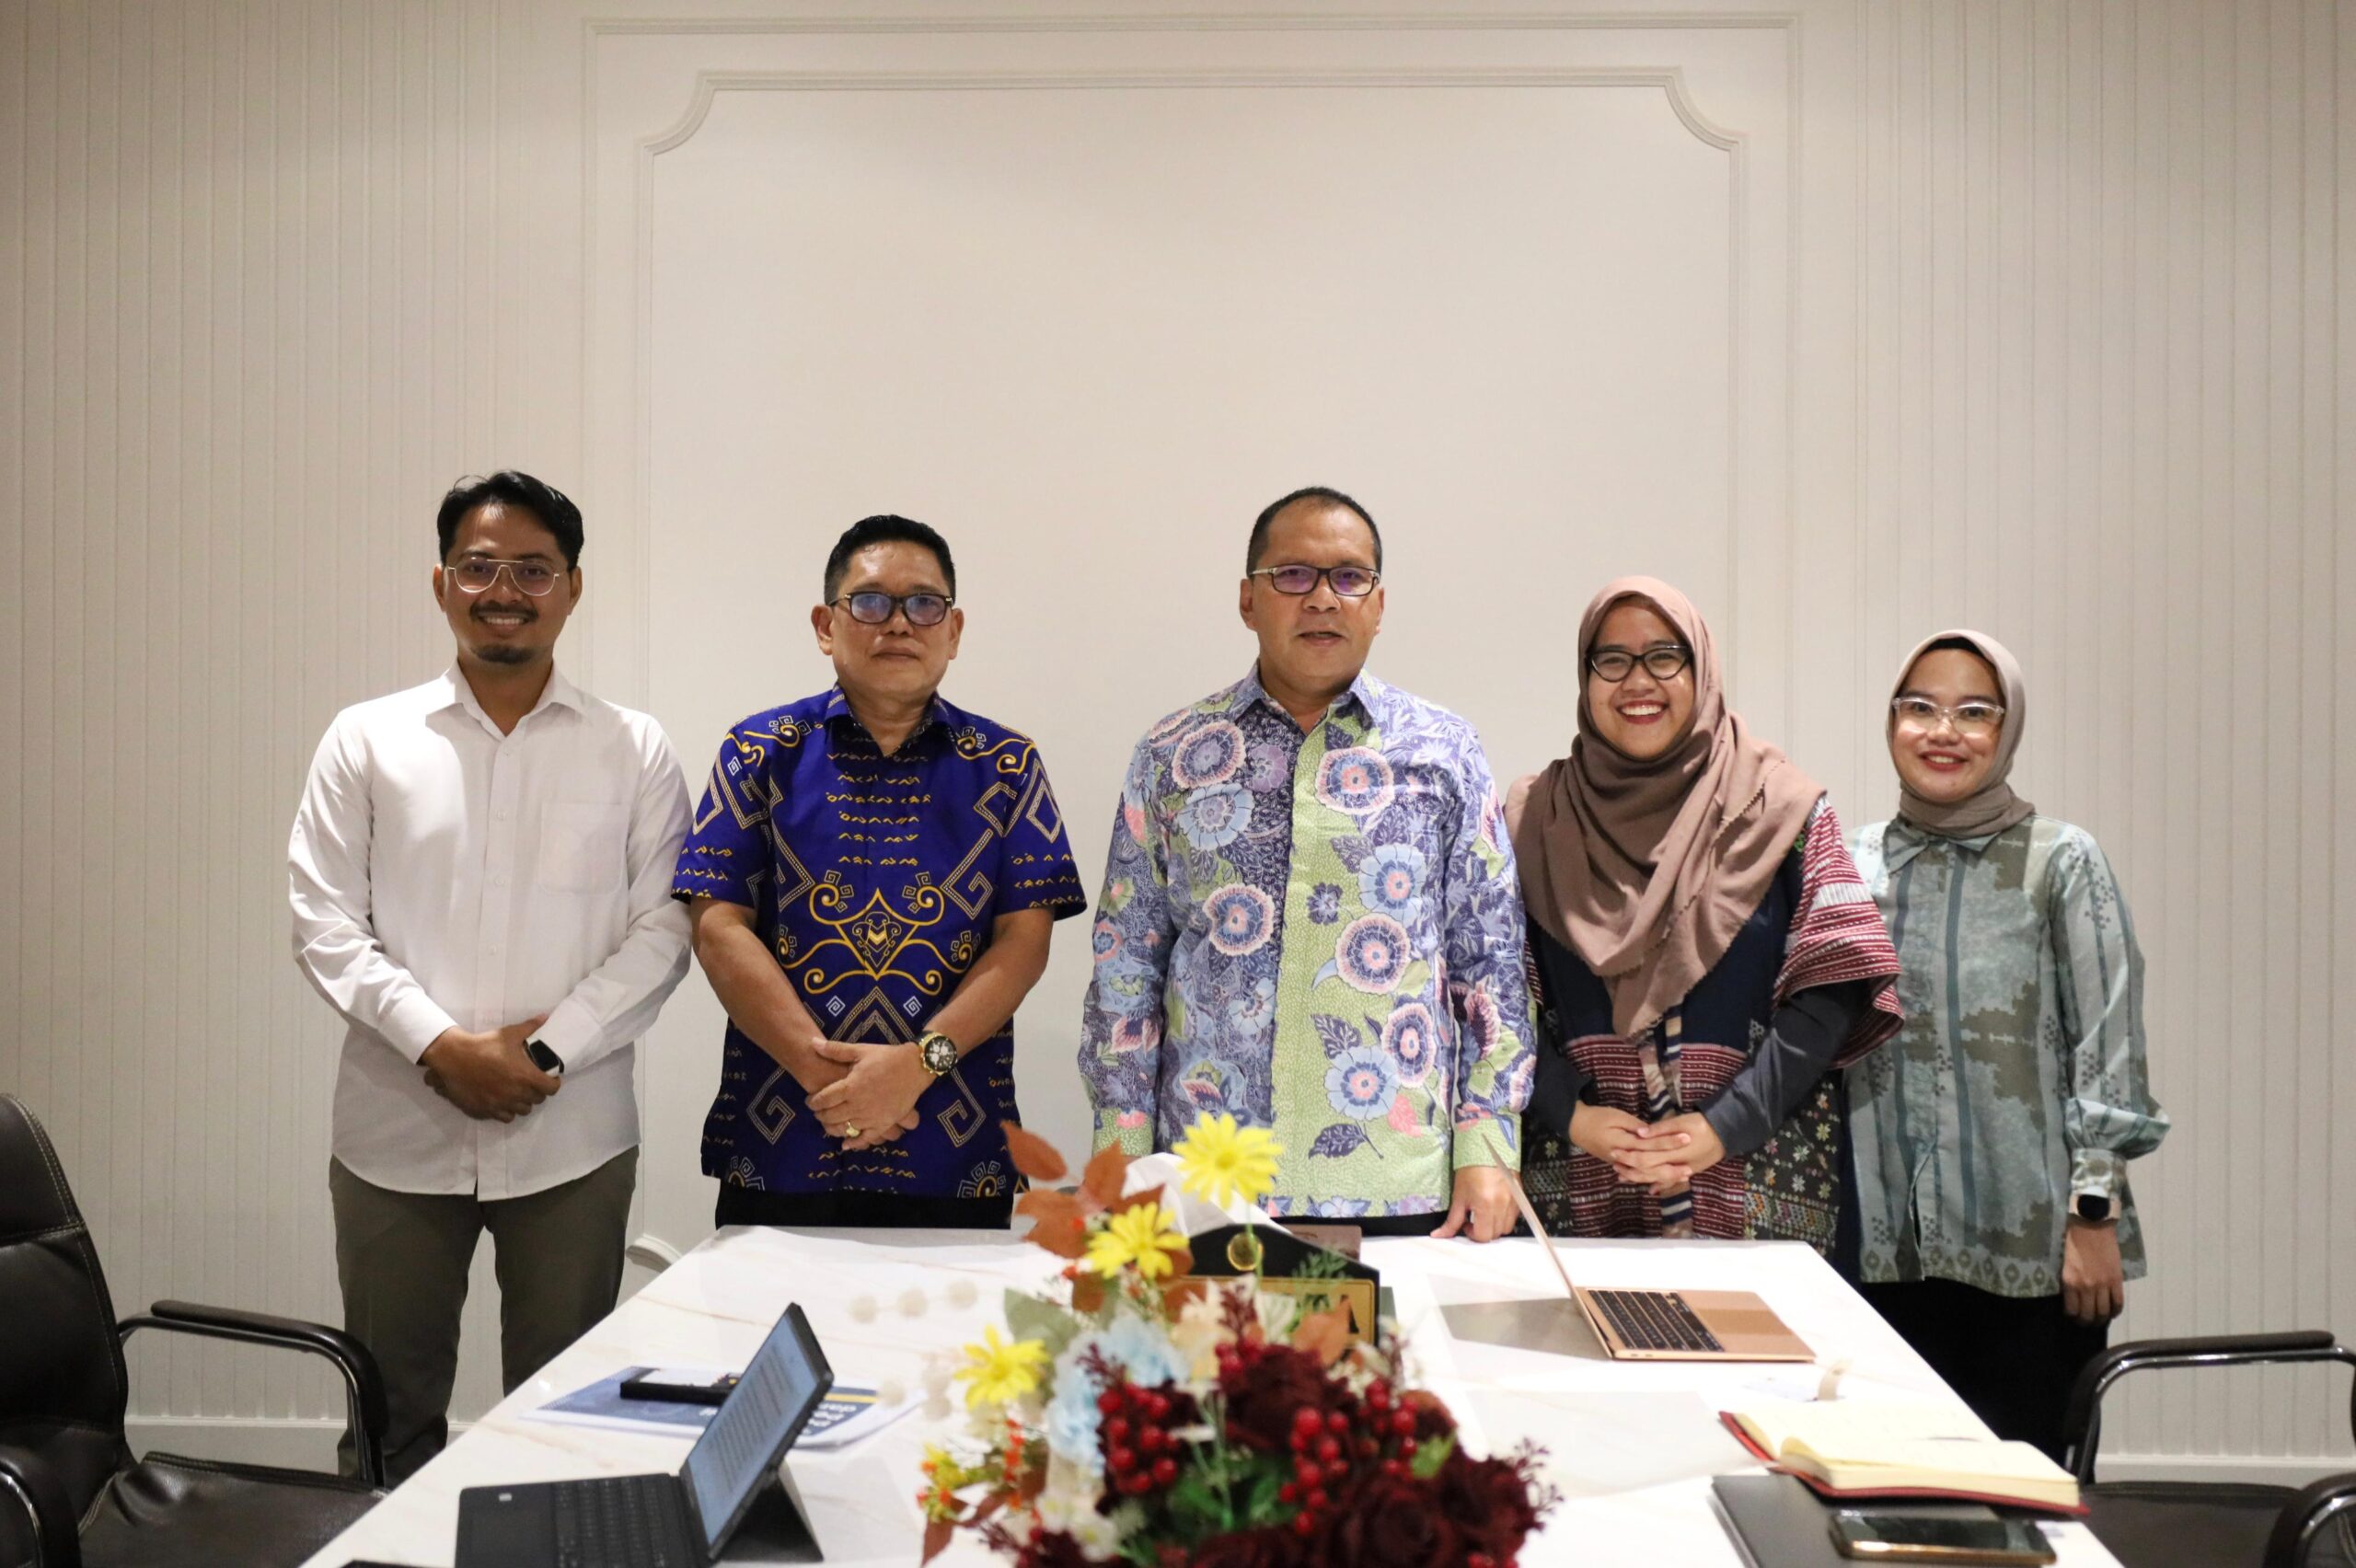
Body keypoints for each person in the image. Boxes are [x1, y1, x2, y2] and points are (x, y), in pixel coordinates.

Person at [288, 471, 693, 1482]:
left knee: (566, 1427)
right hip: (396, 1132)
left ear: (573, 587)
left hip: (572, 1139)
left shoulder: (634, 748)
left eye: (533, 569)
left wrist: (540, 1054)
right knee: (387, 1419)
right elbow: (323, 922)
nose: (503, 590)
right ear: (441, 583)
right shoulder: (366, 738)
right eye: (478, 566)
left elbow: (664, 930)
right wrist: (441, 1045)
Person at [1079, 486, 1535, 1239]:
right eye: (1293, 575)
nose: (1323, 598)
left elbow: (1489, 962)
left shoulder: (1445, 751)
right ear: (1248, 600)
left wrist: (1489, 1143)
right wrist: (1120, 1152)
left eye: (1349, 577)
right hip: (1207, 1181)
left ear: (1379, 605)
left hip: (1400, 1187)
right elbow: (1126, 963)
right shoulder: (1172, 753)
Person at [673, 515, 1086, 1228]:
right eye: (870, 602)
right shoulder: (758, 751)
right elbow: (716, 928)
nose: (899, 623)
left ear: (954, 630)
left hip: (952, 1148)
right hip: (784, 1139)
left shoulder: (1007, 766)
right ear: (825, 625)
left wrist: (917, 1067)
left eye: (924, 604)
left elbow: (1024, 944)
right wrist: (834, 1082)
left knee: (954, 1311)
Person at [1508, 577, 1901, 1256]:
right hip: (1580, 1186)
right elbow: (1491, 996)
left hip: (1757, 1184)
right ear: (1585, 675)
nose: (1639, 681)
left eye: (1665, 657)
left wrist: (1730, 1121)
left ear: (1702, 668)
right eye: (1612, 659)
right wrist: (1570, 1112)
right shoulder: (1531, 819)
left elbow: (1835, 982)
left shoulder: (1783, 808)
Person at [1847, 630, 2167, 1462]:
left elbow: (2109, 1044)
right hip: (1882, 1255)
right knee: (1889, 1490)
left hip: (2036, 1255)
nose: (1942, 731)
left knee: (2022, 1493)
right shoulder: (1853, 862)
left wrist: (2093, 1215)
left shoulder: (2061, 861)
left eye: (1973, 712)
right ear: (1890, 721)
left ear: (2008, 728)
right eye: (1920, 707)